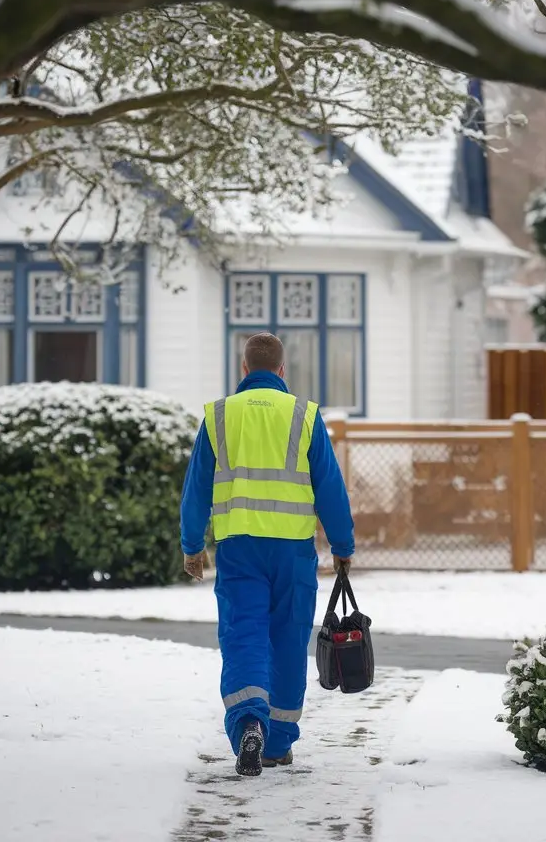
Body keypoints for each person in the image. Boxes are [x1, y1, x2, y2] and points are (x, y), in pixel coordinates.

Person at [180, 331, 355, 777]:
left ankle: (248, 725)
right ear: (281, 371)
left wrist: (192, 546)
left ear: (244, 369)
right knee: (288, 641)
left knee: (244, 635)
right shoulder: (304, 414)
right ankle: (276, 743)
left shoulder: (219, 415)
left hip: (239, 550)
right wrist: (343, 545)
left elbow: (197, 487)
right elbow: (330, 488)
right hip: (293, 551)